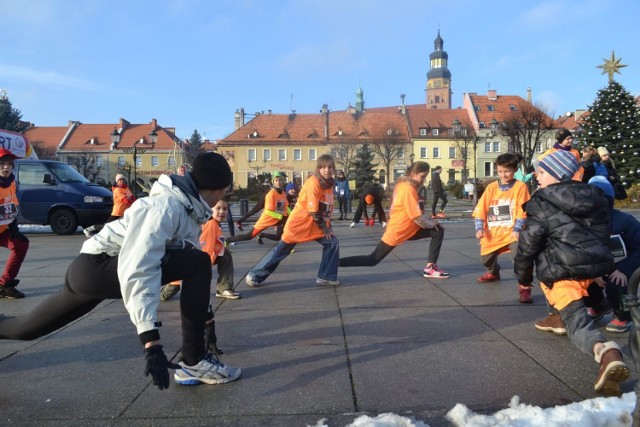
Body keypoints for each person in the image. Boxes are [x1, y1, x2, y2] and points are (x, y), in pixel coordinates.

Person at [0, 152, 241, 389]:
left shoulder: (186, 207)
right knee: (199, 261)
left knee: (27, 329)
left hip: (91, 271)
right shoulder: (164, 208)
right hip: (99, 267)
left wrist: (205, 320)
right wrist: (151, 342)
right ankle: (194, 361)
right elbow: (140, 267)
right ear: (220, 190)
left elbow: (185, 265)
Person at [514, 149, 627, 397]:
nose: (536, 175)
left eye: (542, 172)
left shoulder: (542, 203)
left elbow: (527, 246)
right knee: (588, 295)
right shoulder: (594, 197)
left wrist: (523, 278)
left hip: (562, 273)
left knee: (576, 322)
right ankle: (573, 311)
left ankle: (605, 352)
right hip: (593, 269)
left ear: (555, 175)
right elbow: (602, 234)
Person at [340, 161, 449, 279]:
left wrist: (433, 223)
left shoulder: (403, 185)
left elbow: (412, 213)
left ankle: (430, 268)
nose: (424, 180)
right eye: (422, 176)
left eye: (425, 177)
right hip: (399, 230)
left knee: (437, 231)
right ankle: (336, 263)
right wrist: (432, 223)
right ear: (413, 174)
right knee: (372, 260)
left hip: (408, 228)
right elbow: (417, 217)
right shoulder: (408, 189)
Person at [245, 154, 339, 287]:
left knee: (332, 243)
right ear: (318, 169)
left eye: (330, 167)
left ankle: (326, 277)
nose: (327, 170)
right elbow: (314, 211)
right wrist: (325, 228)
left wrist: (328, 226)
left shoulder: (329, 184)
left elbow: (325, 208)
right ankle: (255, 275)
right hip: (300, 224)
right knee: (282, 250)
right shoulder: (314, 183)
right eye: (323, 167)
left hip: (314, 224)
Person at [583, 176, 640, 333]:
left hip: (622, 268)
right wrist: (593, 272)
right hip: (597, 269)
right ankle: (598, 306)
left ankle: (623, 316)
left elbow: (638, 247)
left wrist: (624, 269)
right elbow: (581, 249)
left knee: (618, 286)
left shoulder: (625, 221)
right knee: (581, 282)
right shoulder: (584, 223)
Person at [473, 153, 531, 302]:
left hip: (512, 232)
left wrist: (517, 230)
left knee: (519, 259)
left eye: (507, 171)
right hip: (492, 232)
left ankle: (524, 287)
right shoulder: (492, 187)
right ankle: (493, 272)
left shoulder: (520, 187)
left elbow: (522, 210)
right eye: (500, 171)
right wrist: (479, 228)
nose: (503, 174)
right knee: (486, 259)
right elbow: (481, 208)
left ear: (515, 170)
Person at [227, 172, 289, 245]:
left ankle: (288, 246)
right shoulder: (271, 194)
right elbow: (268, 211)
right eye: (276, 180)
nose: (278, 182)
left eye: (280, 180)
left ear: (283, 181)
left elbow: (285, 207)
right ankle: (228, 240)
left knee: (280, 234)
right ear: (273, 182)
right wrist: (281, 217)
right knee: (249, 236)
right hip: (266, 220)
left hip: (277, 220)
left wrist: (292, 215)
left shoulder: (283, 194)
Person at [0, 148, 29, 299]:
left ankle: (5, 285)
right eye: (2, 164)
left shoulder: (11, 183)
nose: (6, 167)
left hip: (2, 229)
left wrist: (15, 230)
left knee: (20, 244)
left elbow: (11, 207)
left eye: (9, 164)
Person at [202, 198, 241, 300]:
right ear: (210, 209)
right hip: (196, 263)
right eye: (218, 208)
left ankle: (224, 288)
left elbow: (216, 242)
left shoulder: (215, 223)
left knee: (225, 255)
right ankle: (157, 288)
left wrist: (223, 249)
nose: (222, 211)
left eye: (225, 209)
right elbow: (207, 249)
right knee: (165, 293)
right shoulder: (210, 224)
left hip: (203, 258)